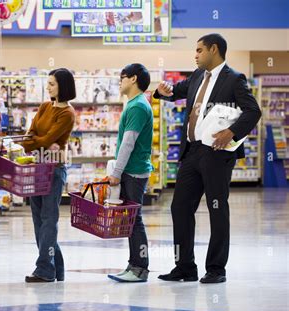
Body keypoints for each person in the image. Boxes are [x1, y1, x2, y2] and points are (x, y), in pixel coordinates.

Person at [154, 33, 261, 283]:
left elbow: (253, 110)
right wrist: (161, 92)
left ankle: (215, 269)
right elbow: (176, 91)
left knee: (217, 208)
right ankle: (185, 267)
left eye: (200, 50)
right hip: (192, 152)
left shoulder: (234, 79)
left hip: (217, 154)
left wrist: (232, 132)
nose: (196, 54)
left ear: (214, 49)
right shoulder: (197, 77)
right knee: (179, 207)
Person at [20, 68, 76, 283]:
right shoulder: (44, 107)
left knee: (48, 220)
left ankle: (44, 269)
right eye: (48, 83)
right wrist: (36, 141)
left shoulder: (67, 113)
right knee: (38, 220)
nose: (48, 87)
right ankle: (56, 268)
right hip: (37, 166)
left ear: (64, 86)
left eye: (52, 84)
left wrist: (37, 141)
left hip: (54, 169)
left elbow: (44, 139)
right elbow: (31, 135)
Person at [106, 64, 153, 283]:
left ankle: (140, 268)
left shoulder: (137, 107)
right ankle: (134, 265)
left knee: (135, 221)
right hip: (132, 170)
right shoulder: (135, 104)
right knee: (132, 221)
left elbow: (128, 143)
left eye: (122, 77)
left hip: (133, 172)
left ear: (133, 79)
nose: (120, 81)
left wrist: (116, 172)